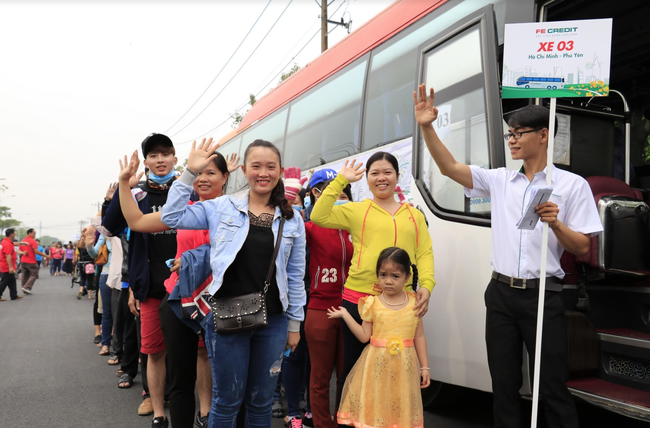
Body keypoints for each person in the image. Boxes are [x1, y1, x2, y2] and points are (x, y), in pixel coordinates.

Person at [414, 85, 604, 428]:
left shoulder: (573, 185)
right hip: (500, 294)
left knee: (551, 385)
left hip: (544, 295)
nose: (512, 140)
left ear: (543, 135)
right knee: (503, 385)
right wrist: (427, 126)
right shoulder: (500, 180)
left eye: (519, 133)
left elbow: (583, 247)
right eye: (509, 133)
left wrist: (556, 223)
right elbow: (449, 168)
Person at [161, 138, 307, 428]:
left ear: (279, 171)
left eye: (270, 167)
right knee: (227, 401)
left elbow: (295, 276)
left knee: (262, 402)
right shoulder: (221, 207)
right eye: (256, 166)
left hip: (275, 321)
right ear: (244, 169)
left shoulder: (292, 219)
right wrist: (189, 173)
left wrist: (294, 325)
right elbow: (171, 216)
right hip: (227, 315)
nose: (263, 173)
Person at [116, 148, 238, 428]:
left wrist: (195, 259)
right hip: (181, 300)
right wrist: (124, 183)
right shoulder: (187, 212)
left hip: (221, 301)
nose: (203, 179)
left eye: (211, 173)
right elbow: (136, 221)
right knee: (181, 379)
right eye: (199, 174)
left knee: (224, 375)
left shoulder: (236, 211)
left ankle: (207, 415)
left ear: (225, 177)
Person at [309, 153, 435, 414]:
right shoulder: (356, 210)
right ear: (366, 179)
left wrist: (427, 286)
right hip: (359, 301)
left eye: (387, 172)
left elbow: (424, 253)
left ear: (398, 177)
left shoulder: (413, 215)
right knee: (353, 370)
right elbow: (318, 215)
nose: (381, 178)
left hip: (401, 304)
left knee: (396, 372)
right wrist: (340, 181)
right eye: (374, 173)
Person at [102, 133, 179, 428]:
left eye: (165, 153)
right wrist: (123, 184)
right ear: (145, 162)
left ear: (175, 158)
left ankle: (186, 401)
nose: (160, 160)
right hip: (150, 290)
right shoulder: (137, 194)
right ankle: (154, 403)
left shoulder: (187, 190)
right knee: (153, 350)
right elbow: (109, 229)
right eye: (154, 155)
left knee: (194, 352)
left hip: (188, 290)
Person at [328, 247, 429, 428]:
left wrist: (425, 367)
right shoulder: (372, 304)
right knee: (377, 410)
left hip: (404, 370)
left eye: (395, 276)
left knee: (399, 410)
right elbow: (364, 336)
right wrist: (345, 314)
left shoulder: (414, 303)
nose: (388, 281)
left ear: (407, 276)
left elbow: (419, 336)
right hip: (376, 369)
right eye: (383, 275)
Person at [301, 169, 353, 428]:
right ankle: (322, 424)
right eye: (330, 188)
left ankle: (344, 422)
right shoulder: (309, 227)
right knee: (320, 377)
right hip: (321, 308)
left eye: (343, 189)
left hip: (354, 309)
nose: (339, 192)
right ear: (316, 193)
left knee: (348, 375)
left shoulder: (356, 225)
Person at [19, 228, 49, 294]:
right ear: (29, 233)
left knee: (25, 275)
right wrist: (45, 255)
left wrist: (23, 252)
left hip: (23, 260)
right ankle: (27, 287)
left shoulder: (23, 240)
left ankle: (24, 288)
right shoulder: (33, 241)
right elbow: (36, 251)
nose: (35, 234)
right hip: (31, 261)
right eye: (34, 233)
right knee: (35, 274)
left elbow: (20, 250)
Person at [0, 229, 24, 301]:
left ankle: (14, 295)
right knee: (4, 281)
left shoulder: (6, 242)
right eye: (14, 233)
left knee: (12, 280)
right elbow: (8, 255)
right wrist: (10, 267)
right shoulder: (7, 244)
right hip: (7, 266)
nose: (15, 235)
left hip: (8, 265)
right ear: (11, 234)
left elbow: (14, 244)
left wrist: (22, 243)